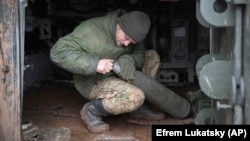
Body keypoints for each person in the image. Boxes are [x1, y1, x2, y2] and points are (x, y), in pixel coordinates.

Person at [50, 8, 192, 133]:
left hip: (119, 73)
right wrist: (95, 64)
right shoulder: (90, 31)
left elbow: (140, 53)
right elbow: (58, 52)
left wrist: (129, 60)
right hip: (93, 81)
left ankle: (137, 109)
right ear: (119, 24)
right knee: (135, 96)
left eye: (131, 42)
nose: (126, 44)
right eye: (125, 38)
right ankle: (92, 110)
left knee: (152, 56)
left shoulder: (131, 33)